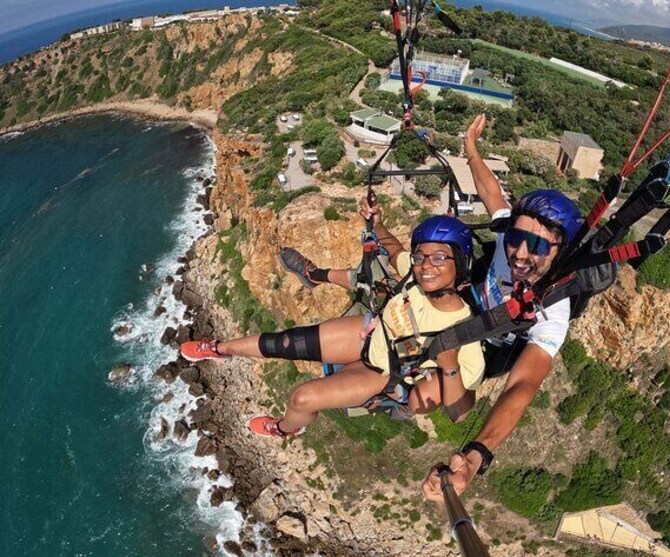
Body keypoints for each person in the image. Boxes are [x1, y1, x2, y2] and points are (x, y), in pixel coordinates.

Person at [179, 202, 485, 436]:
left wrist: (449, 365)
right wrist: (376, 224)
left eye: (440, 257)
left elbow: (459, 413)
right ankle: (221, 349)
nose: (426, 266)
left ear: (460, 264)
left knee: (302, 399)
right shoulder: (415, 277)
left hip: (383, 371)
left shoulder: (464, 333)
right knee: (286, 342)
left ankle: (285, 429)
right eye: (421, 257)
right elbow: (394, 250)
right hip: (368, 335)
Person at [421, 113, 583, 501]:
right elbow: (491, 191)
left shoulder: (553, 311)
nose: (522, 254)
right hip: (471, 310)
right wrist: (471, 147)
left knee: (444, 400)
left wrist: (475, 457)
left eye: (540, 246)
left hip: (494, 346)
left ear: (559, 254)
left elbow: (522, 386)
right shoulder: (508, 238)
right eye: (517, 237)